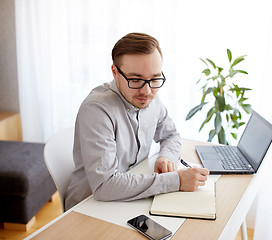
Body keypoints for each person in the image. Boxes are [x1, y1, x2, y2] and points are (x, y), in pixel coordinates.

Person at [65, 32, 210, 210]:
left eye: (155, 78)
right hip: (89, 208)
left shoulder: (148, 96)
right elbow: (105, 187)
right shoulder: (97, 110)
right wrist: (176, 180)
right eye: (135, 79)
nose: (147, 91)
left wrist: (166, 157)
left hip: (132, 196)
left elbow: (171, 135)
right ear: (115, 72)